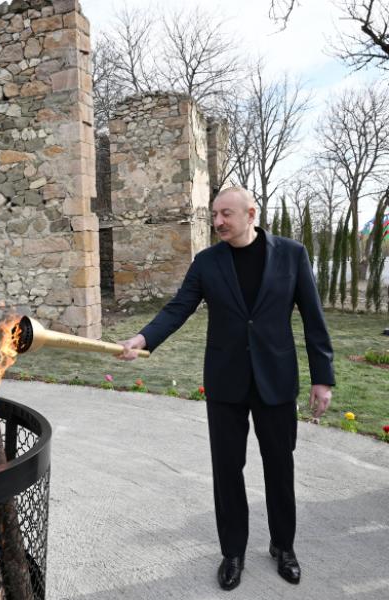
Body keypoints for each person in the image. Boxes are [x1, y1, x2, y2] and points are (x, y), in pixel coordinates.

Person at [117, 186, 334, 591]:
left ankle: (283, 547)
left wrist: (323, 377)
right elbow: (178, 308)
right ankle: (232, 552)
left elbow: (314, 320)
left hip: (276, 381)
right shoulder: (207, 262)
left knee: (280, 468)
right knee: (227, 471)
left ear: (251, 213)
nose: (217, 222)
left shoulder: (292, 254)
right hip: (226, 383)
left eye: (226, 214)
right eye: (214, 214)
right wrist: (143, 339)